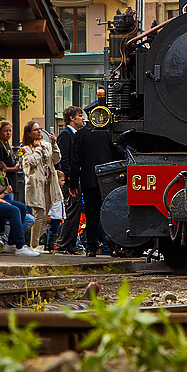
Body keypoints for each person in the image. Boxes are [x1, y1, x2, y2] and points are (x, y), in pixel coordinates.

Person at [68, 104, 124, 257]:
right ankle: (112, 245)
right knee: (110, 211)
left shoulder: (80, 134)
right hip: (109, 179)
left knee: (91, 214)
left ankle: (91, 247)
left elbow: (75, 161)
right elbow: (119, 153)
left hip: (89, 180)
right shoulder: (109, 132)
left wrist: (73, 183)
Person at [20, 119, 62, 249]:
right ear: (29, 133)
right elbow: (32, 162)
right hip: (36, 185)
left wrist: (54, 145)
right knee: (40, 214)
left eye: (40, 129)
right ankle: (34, 245)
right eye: (36, 130)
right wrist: (37, 149)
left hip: (48, 184)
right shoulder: (26, 149)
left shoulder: (46, 145)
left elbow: (56, 159)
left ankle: (37, 243)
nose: (39, 132)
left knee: (45, 215)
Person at [55, 106, 85, 254]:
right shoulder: (66, 135)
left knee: (75, 213)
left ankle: (71, 245)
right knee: (71, 212)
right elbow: (64, 157)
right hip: (70, 180)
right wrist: (68, 176)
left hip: (74, 178)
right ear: (72, 118)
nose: (83, 118)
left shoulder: (74, 134)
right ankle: (63, 244)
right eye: (80, 116)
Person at [0, 121, 23, 200]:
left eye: (10, 131)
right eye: (5, 131)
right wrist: (14, 169)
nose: (8, 133)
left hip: (12, 180)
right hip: (5, 182)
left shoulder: (7, 145)